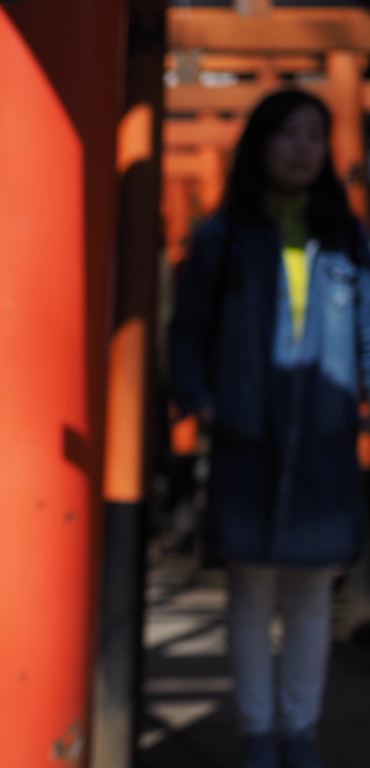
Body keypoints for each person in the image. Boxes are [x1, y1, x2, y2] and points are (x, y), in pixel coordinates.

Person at [170, 89, 370, 768]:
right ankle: (260, 733)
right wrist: (205, 403)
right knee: (251, 592)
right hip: (246, 441)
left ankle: (302, 733)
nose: (303, 146)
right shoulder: (218, 239)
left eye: (316, 134)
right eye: (288, 133)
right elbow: (187, 334)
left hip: (324, 441)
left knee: (314, 595)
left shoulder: (350, 244)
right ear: (260, 144)